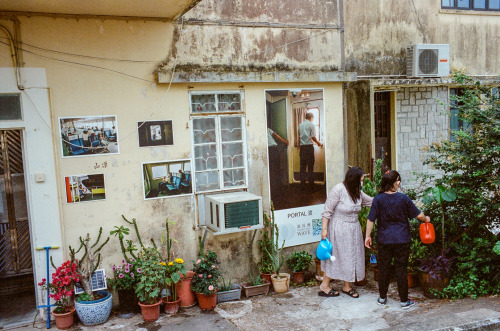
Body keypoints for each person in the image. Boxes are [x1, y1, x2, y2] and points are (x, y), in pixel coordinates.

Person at [365, 170, 431, 309]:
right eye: (398, 180)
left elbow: (371, 219)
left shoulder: (378, 199)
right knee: (401, 269)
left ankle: (382, 298)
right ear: (395, 182)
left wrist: (367, 236)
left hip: (384, 240)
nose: (399, 182)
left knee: (384, 268)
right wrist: (427, 219)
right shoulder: (403, 198)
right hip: (402, 239)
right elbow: (419, 216)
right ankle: (404, 301)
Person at [319, 167, 373, 298]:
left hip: (354, 229)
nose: (362, 183)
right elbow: (327, 211)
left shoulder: (357, 192)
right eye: (360, 180)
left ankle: (347, 286)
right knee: (335, 256)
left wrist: (387, 196)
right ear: (353, 179)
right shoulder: (339, 189)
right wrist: (324, 229)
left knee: (351, 257)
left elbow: (372, 201)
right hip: (339, 229)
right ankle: (324, 285)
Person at [298, 112, 322, 189]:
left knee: (302, 167)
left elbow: (300, 136)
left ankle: (302, 185)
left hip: (302, 148)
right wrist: (319, 143)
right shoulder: (311, 125)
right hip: (308, 148)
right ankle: (311, 185)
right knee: (310, 166)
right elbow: (313, 137)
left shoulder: (300, 125)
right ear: (311, 117)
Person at [267, 127, 289, 196]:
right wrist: (284, 141)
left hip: (269, 150)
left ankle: (273, 188)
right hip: (274, 149)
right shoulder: (267, 129)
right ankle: (278, 188)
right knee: (276, 168)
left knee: (271, 169)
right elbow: (275, 135)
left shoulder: (260, 130)